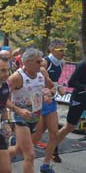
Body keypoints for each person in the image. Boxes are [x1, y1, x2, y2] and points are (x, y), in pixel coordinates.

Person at [7, 48, 54, 173]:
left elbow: (52, 87)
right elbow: (3, 99)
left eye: (42, 61)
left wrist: (49, 95)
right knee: (30, 155)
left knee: (19, 149)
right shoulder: (16, 77)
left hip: (35, 115)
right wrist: (18, 110)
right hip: (20, 117)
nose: (42, 63)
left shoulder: (42, 73)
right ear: (27, 62)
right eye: (38, 62)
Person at [32, 40, 66, 172]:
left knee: (54, 133)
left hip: (50, 101)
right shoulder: (45, 62)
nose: (63, 53)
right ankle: (19, 151)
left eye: (64, 50)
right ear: (51, 50)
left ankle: (45, 164)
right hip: (39, 102)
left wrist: (60, 88)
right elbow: (36, 81)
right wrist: (44, 92)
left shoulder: (62, 63)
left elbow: (57, 82)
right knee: (38, 134)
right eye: (60, 50)